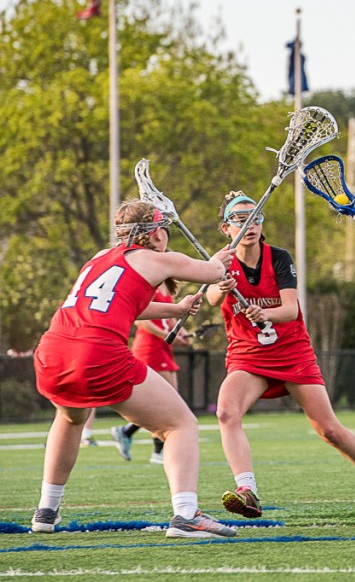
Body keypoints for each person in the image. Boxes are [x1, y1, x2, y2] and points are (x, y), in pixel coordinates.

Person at [31, 200, 238, 538]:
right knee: (180, 424)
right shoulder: (158, 259)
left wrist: (177, 306)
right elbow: (214, 273)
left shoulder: (100, 256)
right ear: (157, 233)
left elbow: (122, 303)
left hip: (53, 351)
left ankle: (46, 511)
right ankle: (186, 514)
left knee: (70, 418)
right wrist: (220, 260)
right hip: (96, 354)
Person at [207, 191, 355, 518]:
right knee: (226, 413)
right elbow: (210, 298)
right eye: (239, 220)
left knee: (329, 430)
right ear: (226, 228)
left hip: (291, 351)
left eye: (254, 218)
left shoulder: (279, 258)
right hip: (248, 354)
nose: (248, 225)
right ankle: (247, 489)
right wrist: (218, 285)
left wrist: (264, 314)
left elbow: (290, 308)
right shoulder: (220, 261)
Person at [110, 282, 193, 465]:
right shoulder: (150, 287)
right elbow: (141, 320)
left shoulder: (166, 290)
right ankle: (158, 451)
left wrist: (183, 334)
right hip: (149, 348)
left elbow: (171, 320)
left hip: (163, 349)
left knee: (172, 400)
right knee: (166, 403)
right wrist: (166, 335)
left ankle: (128, 432)